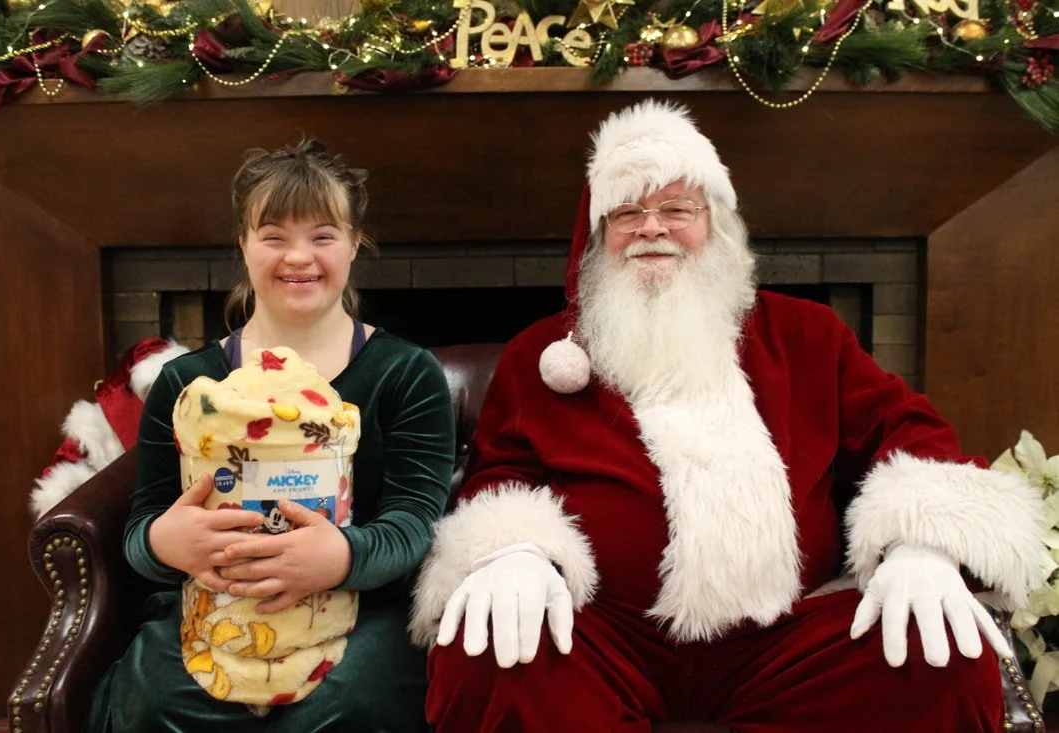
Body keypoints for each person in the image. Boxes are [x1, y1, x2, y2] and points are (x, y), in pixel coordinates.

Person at [411, 100, 1047, 733]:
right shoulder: (542, 357)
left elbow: (905, 431)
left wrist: (921, 545)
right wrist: (513, 551)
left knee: (939, 662)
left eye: (676, 209)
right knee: (486, 654)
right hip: (604, 637)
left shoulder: (809, 335)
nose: (651, 228)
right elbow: (500, 472)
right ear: (600, 235)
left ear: (714, 223)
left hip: (787, 639)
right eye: (627, 212)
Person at [87, 139, 456, 733]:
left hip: (364, 609)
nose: (298, 257)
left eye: (323, 235)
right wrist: (162, 542)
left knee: (343, 709)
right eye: (275, 235)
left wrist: (342, 556)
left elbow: (416, 522)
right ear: (244, 246)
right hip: (211, 609)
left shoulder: (406, 373)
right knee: (154, 706)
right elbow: (141, 529)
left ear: (355, 245)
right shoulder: (188, 382)